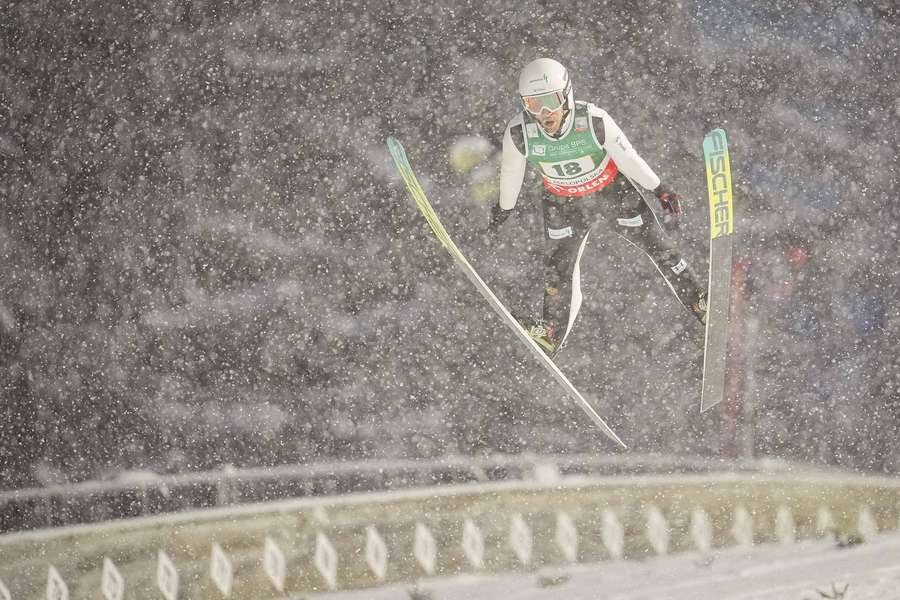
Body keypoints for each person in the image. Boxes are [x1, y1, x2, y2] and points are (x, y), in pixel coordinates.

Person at [488, 58, 707, 357]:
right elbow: (511, 172)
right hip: (562, 204)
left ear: (567, 95)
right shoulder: (519, 132)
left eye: (551, 101)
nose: (544, 113)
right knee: (559, 269)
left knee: (658, 246)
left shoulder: (594, 120)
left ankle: (699, 301)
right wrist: (505, 207)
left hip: (611, 193)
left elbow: (628, 158)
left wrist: (659, 188)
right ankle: (551, 332)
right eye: (533, 104)